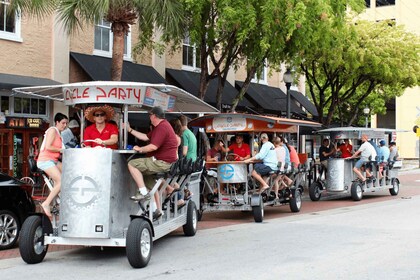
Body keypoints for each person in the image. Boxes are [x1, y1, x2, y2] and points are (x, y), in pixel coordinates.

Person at [125, 106, 178, 219]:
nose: (149, 117)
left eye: (150, 115)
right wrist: (130, 130)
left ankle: (143, 192)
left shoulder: (162, 127)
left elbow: (153, 146)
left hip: (161, 162)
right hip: (164, 162)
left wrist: (141, 149)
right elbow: (145, 137)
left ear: (154, 116)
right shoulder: (160, 126)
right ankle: (156, 210)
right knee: (145, 177)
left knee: (132, 164)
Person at [37, 113, 68, 218]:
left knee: (69, 173)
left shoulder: (59, 133)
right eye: (63, 123)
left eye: (66, 123)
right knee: (61, 181)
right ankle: (46, 203)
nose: (65, 125)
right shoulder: (52, 130)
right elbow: (48, 147)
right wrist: (61, 150)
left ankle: (59, 200)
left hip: (53, 160)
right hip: (45, 160)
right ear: (57, 122)